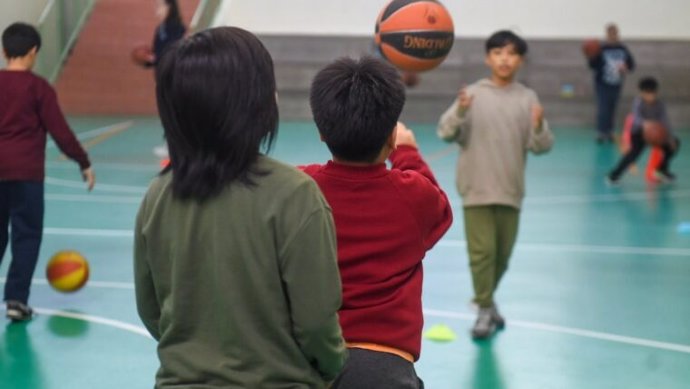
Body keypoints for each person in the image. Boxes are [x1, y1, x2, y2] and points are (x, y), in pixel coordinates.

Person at [133, 26, 347, 388]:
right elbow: (315, 324)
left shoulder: (158, 195)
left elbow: (151, 310)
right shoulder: (294, 193)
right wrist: (333, 364)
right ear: (256, 103)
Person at [302, 56, 453, 388]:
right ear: (391, 136)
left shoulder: (299, 188)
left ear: (321, 133)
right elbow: (439, 207)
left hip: (307, 361)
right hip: (384, 366)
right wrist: (408, 152)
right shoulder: (414, 197)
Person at [437, 30, 554, 339]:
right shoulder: (472, 95)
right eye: (498, 53)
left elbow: (542, 146)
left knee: (502, 256)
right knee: (482, 254)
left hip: (511, 189)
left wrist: (539, 125)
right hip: (476, 188)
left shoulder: (528, 98)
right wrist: (461, 110)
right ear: (488, 58)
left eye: (512, 53)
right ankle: (484, 309)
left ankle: (487, 302)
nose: (505, 59)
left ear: (520, 60)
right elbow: (445, 132)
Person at [1, 23, 95, 321]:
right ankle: (16, 300)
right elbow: (61, 132)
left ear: (4, 52)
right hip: (27, 174)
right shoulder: (39, 88)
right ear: (34, 52)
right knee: (26, 235)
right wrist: (83, 161)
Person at [606, 77, 679, 184]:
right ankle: (614, 175)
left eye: (652, 93)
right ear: (641, 93)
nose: (650, 96)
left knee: (674, 144)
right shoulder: (638, 102)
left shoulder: (660, 105)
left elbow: (665, 122)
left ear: (656, 93)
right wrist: (646, 124)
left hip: (655, 133)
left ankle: (661, 170)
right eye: (647, 93)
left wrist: (670, 138)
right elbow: (636, 118)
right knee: (633, 154)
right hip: (638, 133)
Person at [589, 23, 635, 143]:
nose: (612, 36)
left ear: (617, 34)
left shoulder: (623, 49)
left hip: (617, 83)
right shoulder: (601, 49)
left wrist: (626, 67)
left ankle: (609, 131)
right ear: (607, 34)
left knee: (612, 107)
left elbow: (631, 65)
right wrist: (591, 56)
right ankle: (601, 132)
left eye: (614, 33)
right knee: (603, 107)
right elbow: (593, 66)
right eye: (610, 33)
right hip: (603, 83)